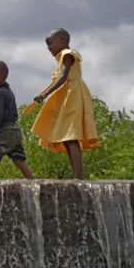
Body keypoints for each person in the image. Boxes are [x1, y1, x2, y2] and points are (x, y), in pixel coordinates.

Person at [31, 28, 99, 179]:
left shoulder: (68, 55)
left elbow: (62, 78)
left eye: (50, 43)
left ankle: (79, 177)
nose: (48, 47)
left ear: (63, 40)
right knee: (67, 139)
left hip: (72, 95)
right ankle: (76, 175)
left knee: (71, 136)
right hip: (67, 96)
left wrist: (46, 94)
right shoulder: (61, 57)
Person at [0, 61, 34, 179]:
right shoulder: (9, 92)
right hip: (15, 130)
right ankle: (32, 182)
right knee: (18, 158)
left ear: (2, 76)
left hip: (5, 130)